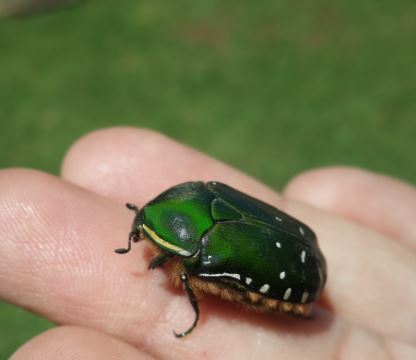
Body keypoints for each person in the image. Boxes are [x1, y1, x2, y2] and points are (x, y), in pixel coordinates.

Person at [1, 128, 415, 359]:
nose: (139, 239)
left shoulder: (196, 256)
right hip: (302, 244)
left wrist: (194, 313)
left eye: (143, 233)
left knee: (202, 281)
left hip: (300, 278)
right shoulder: (201, 192)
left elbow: (198, 277)